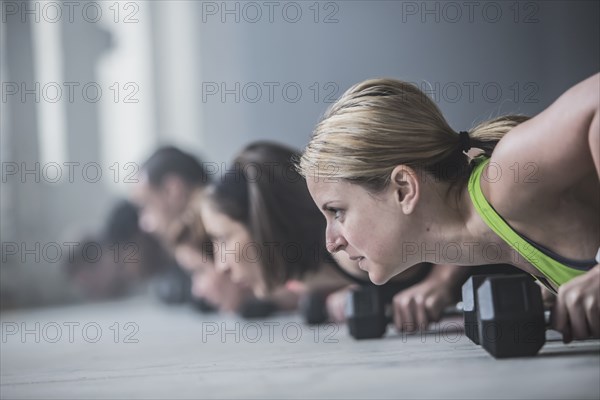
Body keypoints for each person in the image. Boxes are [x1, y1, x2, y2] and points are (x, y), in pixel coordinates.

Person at [298, 73, 600, 341]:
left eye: (337, 211)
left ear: (403, 189)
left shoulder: (507, 179)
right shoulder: (512, 241)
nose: (332, 243)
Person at [200, 141, 464, 327]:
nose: (221, 265)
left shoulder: (356, 249)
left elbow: (457, 193)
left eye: (223, 239)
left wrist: (442, 280)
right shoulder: (310, 279)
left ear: (264, 225)